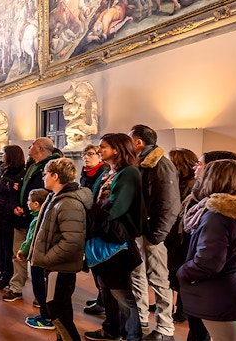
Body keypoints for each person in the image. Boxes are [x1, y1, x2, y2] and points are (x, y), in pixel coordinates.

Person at [178, 159, 236, 341]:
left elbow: (208, 262)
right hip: (235, 288)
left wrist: (183, 271)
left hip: (220, 294)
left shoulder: (218, 216)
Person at [85, 133, 145, 341]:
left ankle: (132, 335)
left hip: (116, 239)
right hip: (102, 235)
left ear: (117, 150)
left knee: (120, 292)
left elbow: (116, 207)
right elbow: (97, 200)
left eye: (103, 147)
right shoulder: (109, 172)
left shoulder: (129, 173)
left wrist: (94, 211)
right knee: (106, 289)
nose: (99, 150)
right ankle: (111, 329)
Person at [28, 158, 93, 340]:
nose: (43, 178)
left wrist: (47, 258)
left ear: (55, 176)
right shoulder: (55, 197)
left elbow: (72, 241)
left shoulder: (69, 203)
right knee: (59, 308)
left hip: (60, 266)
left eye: (45, 174)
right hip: (56, 266)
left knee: (58, 311)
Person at [128, 124, 180, 341]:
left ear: (139, 142)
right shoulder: (140, 163)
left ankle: (166, 327)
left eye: (130, 140)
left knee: (159, 280)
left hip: (151, 233)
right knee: (137, 275)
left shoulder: (160, 164)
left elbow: (169, 204)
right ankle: (140, 318)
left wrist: (157, 234)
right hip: (139, 230)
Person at [3, 137, 60, 302]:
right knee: (18, 253)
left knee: (39, 258)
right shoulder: (29, 165)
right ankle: (16, 287)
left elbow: (49, 194)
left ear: (41, 148)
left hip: (40, 219)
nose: (29, 147)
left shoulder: (52, 166)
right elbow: (18, 187)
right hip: (22, 217)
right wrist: (16, 206)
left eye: (33, 144)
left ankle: (41, 295)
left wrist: (32, 211)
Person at [0, 145, 26, 290]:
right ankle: (2, 272)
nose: (2, 156)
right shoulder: (3, 170)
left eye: (4, 153)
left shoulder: (19, 173)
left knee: (7, 249)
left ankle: (7, 276)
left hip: (7, 215)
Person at [164, 148, 198, 324]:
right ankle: (174, 305)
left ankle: (182, 310)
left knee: (181, 271)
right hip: (175, 235)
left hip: (183, 237)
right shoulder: (179, 182)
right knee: (173, 271)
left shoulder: (192, 186)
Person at [17, 188, 52, 330]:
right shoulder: (43, 216)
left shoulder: (37, 220)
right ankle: (45, 314)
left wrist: (23, 251)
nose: (27, 203)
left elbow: (31, 239)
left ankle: (47, 318)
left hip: (37, 259)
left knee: (39, 288)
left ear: (36, 204)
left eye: (29, 201)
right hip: (41, 258)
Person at [81, 144, 109, 316]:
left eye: (91, 154)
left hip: (99, 223)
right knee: (94, 262)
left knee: (101, 265)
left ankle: (103, 301)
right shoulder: (86, 174)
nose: (86, 157)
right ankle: (101, 297)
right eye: (85, 154)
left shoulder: (104, 173)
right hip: (89, 222)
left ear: (99, 156)